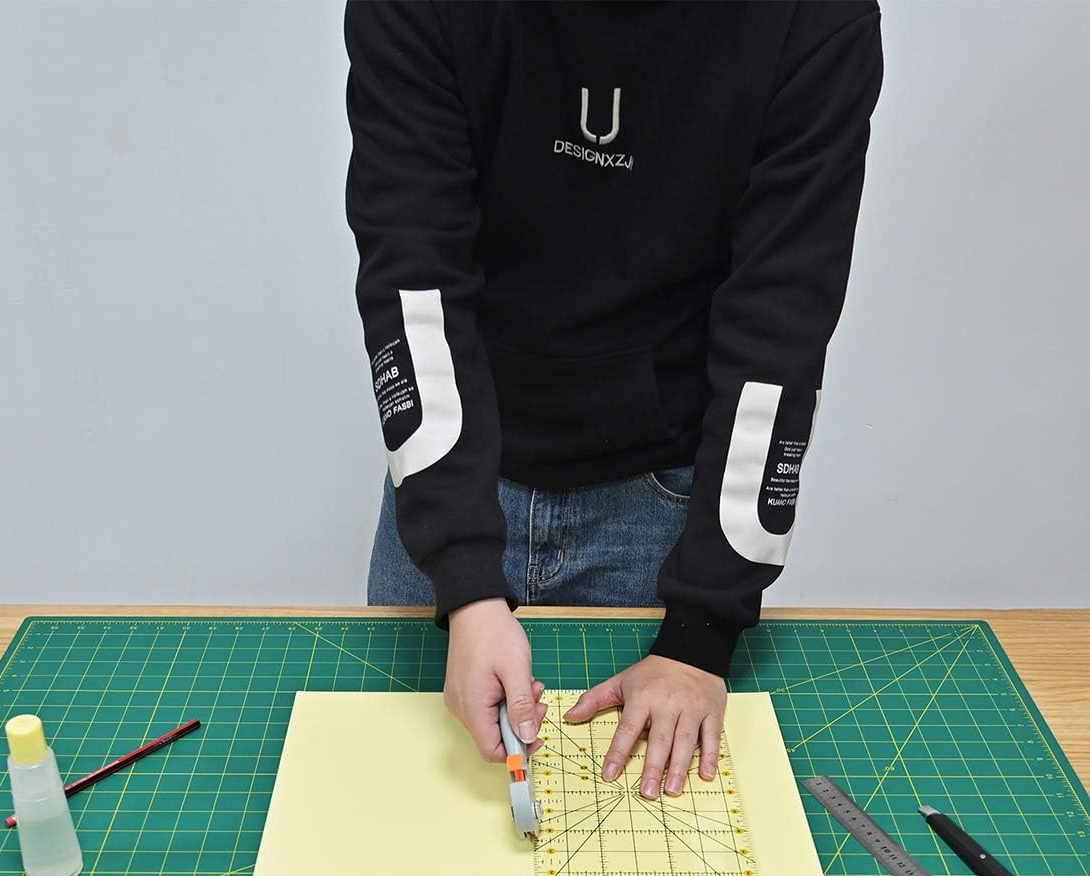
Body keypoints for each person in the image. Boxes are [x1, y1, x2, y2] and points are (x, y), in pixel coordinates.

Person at [344, 1, 882, 799]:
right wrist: (464, 578)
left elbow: (780, 329)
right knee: (401, 806)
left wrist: (700, 632)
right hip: (455, 473)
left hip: (661, 509)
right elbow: (413, 282)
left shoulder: (813, 20)